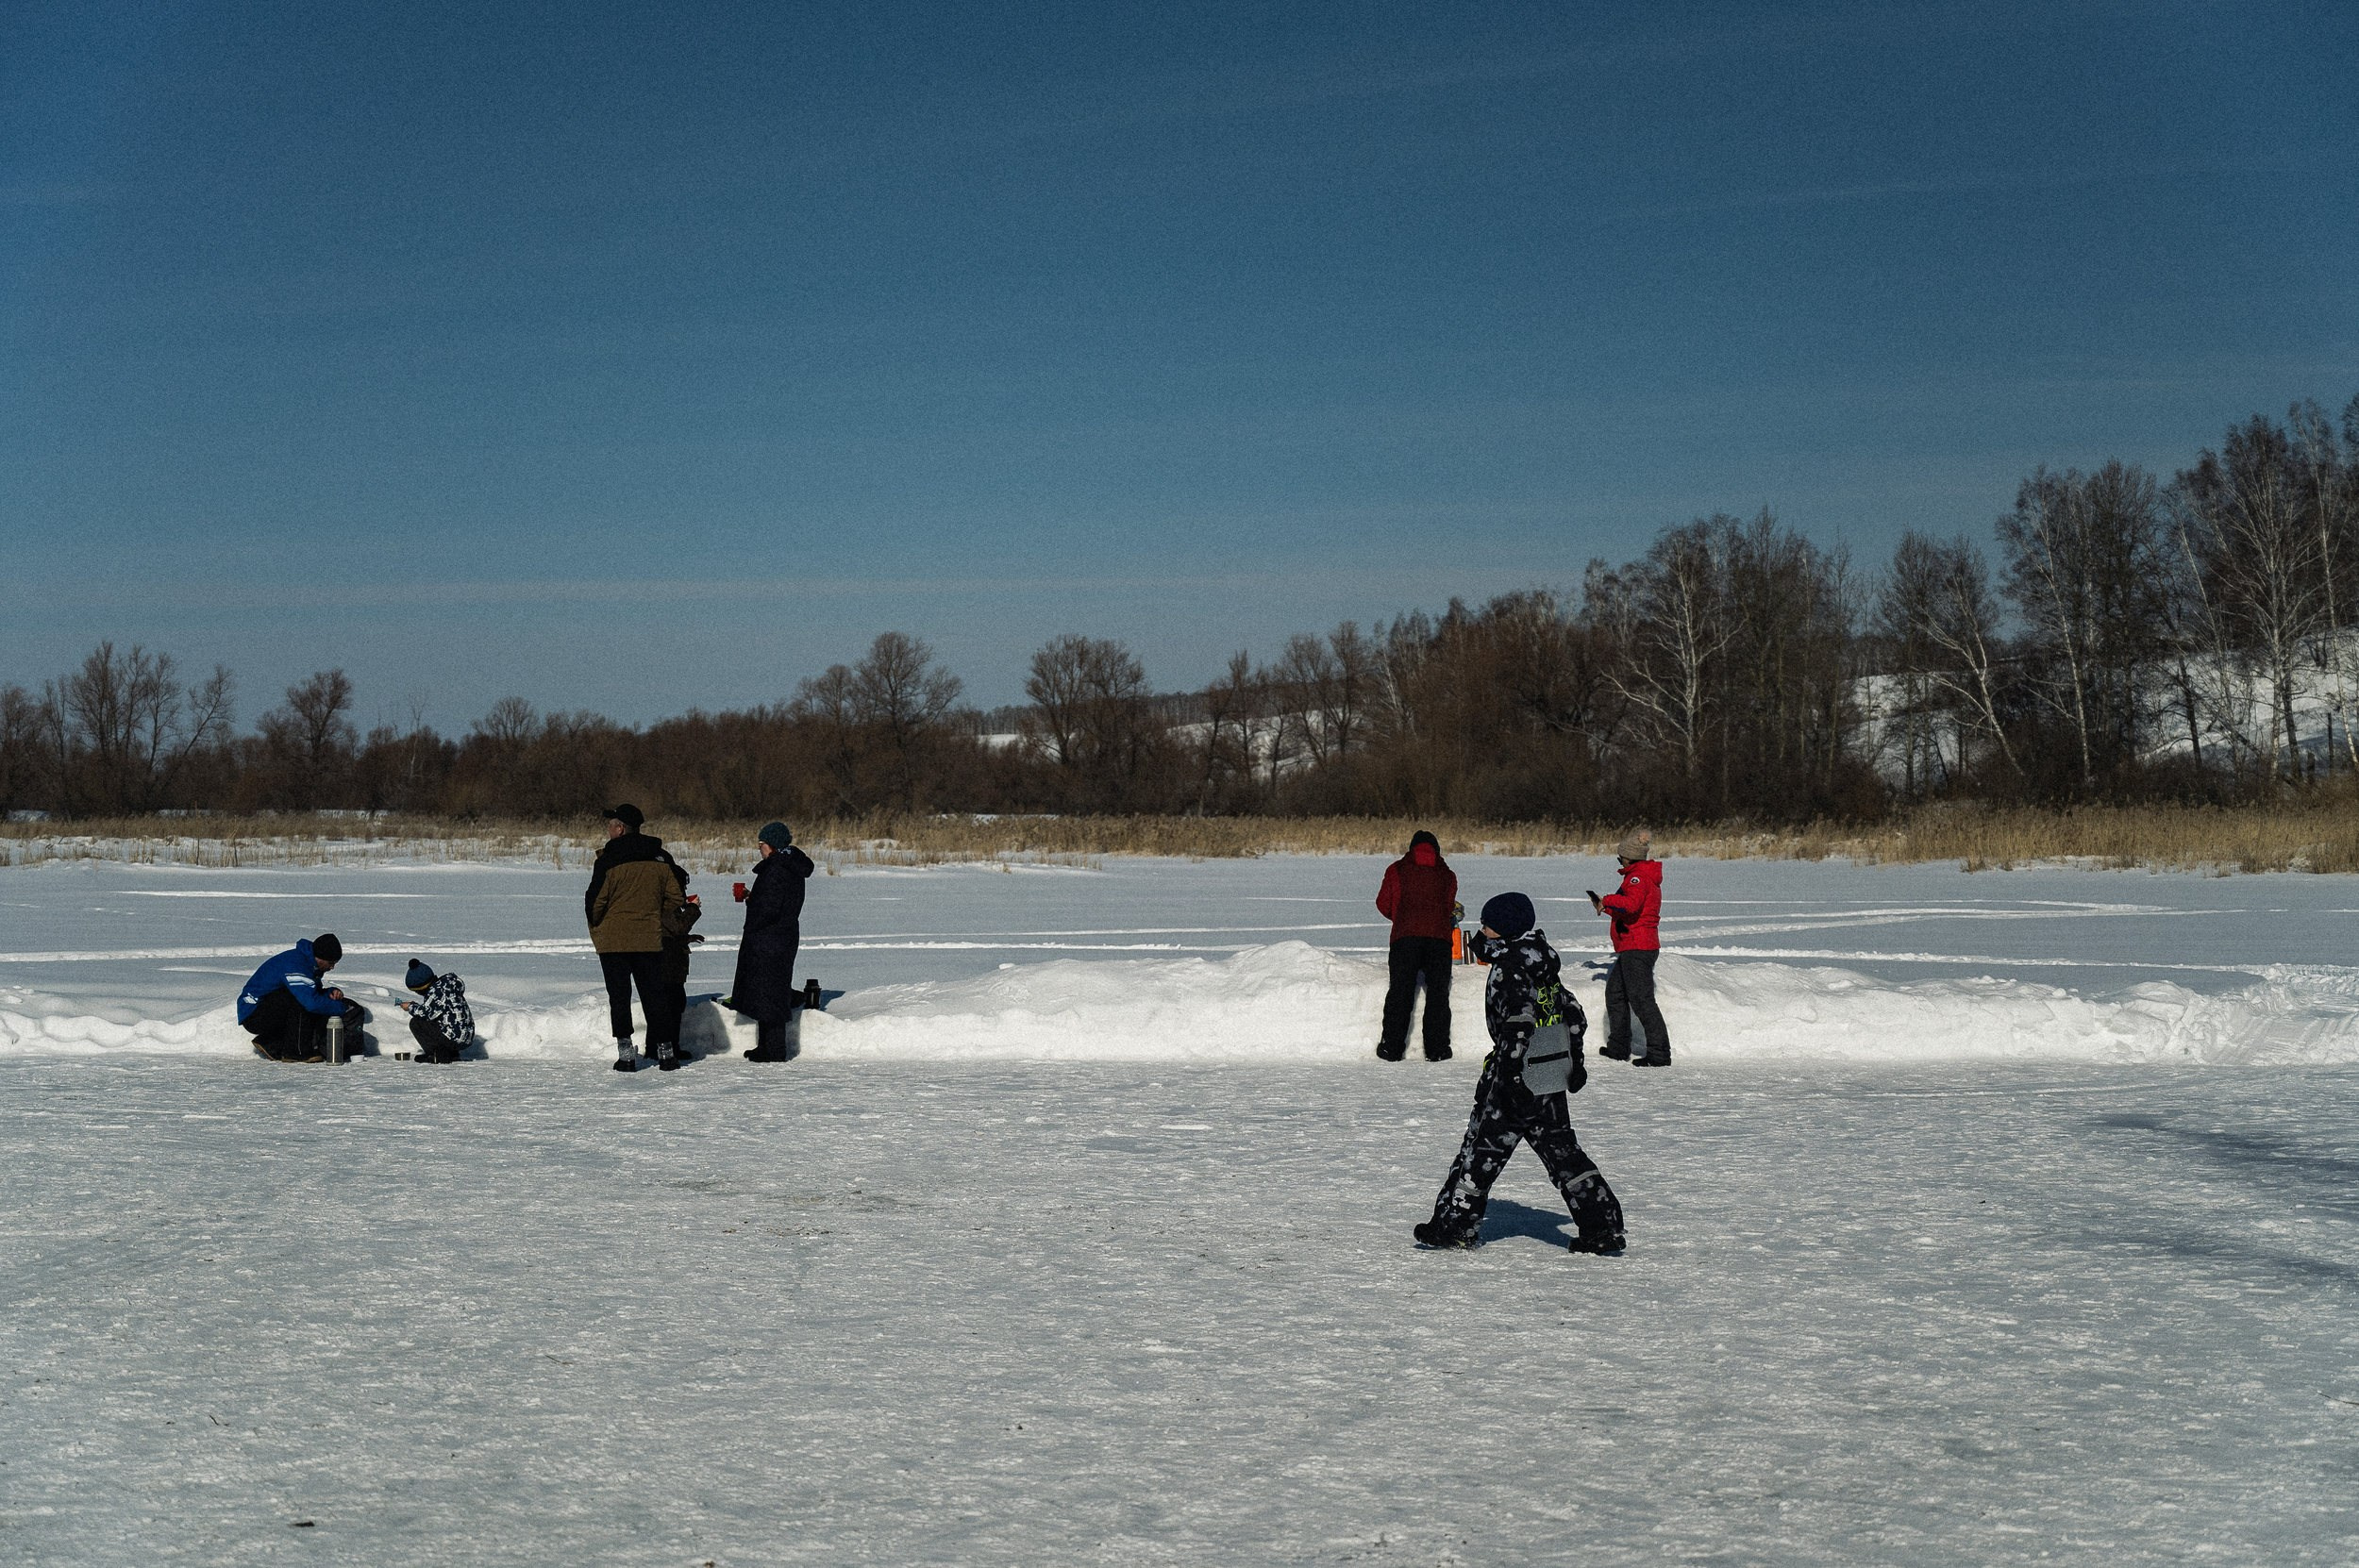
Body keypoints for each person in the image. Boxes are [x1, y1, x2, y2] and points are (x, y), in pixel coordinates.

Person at [1414, 892, 1625, 1255]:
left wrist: (1511, 1075)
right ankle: (1602, 1226)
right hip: (1550, 1076)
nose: (1481, 931)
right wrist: (1575, 1064)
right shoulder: (1543, 963)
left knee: (1480, 1154)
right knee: (1563, 1154)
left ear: (1505, 931)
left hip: (1517, 1079)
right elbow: (1573, 1014)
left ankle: (1455, 1228)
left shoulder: (1509, 968)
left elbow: (1518, 1021)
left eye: (1487, 925)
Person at [585, 804, 688, 1072]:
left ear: (620, 829)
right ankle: (666, 1054)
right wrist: (652, 912)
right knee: (655, 995)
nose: (608, 830)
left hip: (614, 942)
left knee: (619, 997)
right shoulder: (660, 857)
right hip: (649, 939)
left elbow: (595, 903)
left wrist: (599, 926)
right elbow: (677, 898)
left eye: (610, 825)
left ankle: (627, 1055)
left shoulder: (608, 860)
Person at [733, 820, 815, 1062]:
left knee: (771, 993)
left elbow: (769, 908)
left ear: (770, 845)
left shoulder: (777, 868)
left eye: (761, 844)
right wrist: (753, 897)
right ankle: (765, 1045)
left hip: (771, 937)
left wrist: (752, 911)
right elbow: (774, 902)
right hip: (781, 935)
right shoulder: (786, 866)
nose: (760, 849)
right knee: (767, 991)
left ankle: (776, 1049)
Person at [1374, 829, 1457, 1062]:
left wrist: (1401, 917)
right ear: (1437, 850)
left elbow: (1382, 903)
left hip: (1404, 939)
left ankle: (1391, 1048)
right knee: (1438, 995)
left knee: (1400, 993)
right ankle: (1437, 1049)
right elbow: (1449, 906)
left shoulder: (1396, 870)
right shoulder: (1448, 875)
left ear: (1411, 849)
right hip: (1439, 941)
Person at [1589, 827, 1670, 1067]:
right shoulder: (1638, 876)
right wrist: (1606, 907)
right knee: (1615, 994)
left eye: (1619, 857)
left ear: (1628, 858)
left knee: (1642, 1001)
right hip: (1632, 947)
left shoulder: (1638, 877)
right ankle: (1618, 1047)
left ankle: (1659, 1053)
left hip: (1638, 948)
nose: (1619, 861)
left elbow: (1632, 905)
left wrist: (1608, 899)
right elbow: (1629, 910)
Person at [237, 933, 367, 1062]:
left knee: (303, 999)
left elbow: (312, 992)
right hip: (253, 1014)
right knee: (301, 1001)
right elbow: (310, 1002)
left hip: (266, 1008)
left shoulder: (308, 963)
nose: (332, 967)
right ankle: (295, 1052)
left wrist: (330, 993)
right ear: (320, 957)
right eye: (331, 962)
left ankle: (271, 1043)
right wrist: (341, 1008)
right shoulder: (295, 964)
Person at [396, 959, 477, 1064]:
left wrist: (411, 1007)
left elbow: (426, 1013)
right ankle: (452, 1053)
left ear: (423, 987)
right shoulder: (446, 987)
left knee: (416, 1023)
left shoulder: (436, 993)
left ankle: (438, 1055)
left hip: (454, 1038)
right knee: (439, 1022)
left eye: (417, 991)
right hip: (466, 1036)